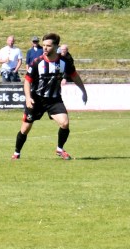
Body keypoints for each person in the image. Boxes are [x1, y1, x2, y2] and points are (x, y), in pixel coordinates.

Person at [11, 33, 87, 161]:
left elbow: (74, 76)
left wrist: (83, 91)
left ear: (56, 46)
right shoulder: (37, 62)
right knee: (25, 129)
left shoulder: (64, 62)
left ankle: (60, 149)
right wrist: (28, 97)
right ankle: (16, 153)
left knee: (65, 123)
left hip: (54, 100)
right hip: (36, 99)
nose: (45, 48)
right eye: (44, 45)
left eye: (48, 46)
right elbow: (27, 81)